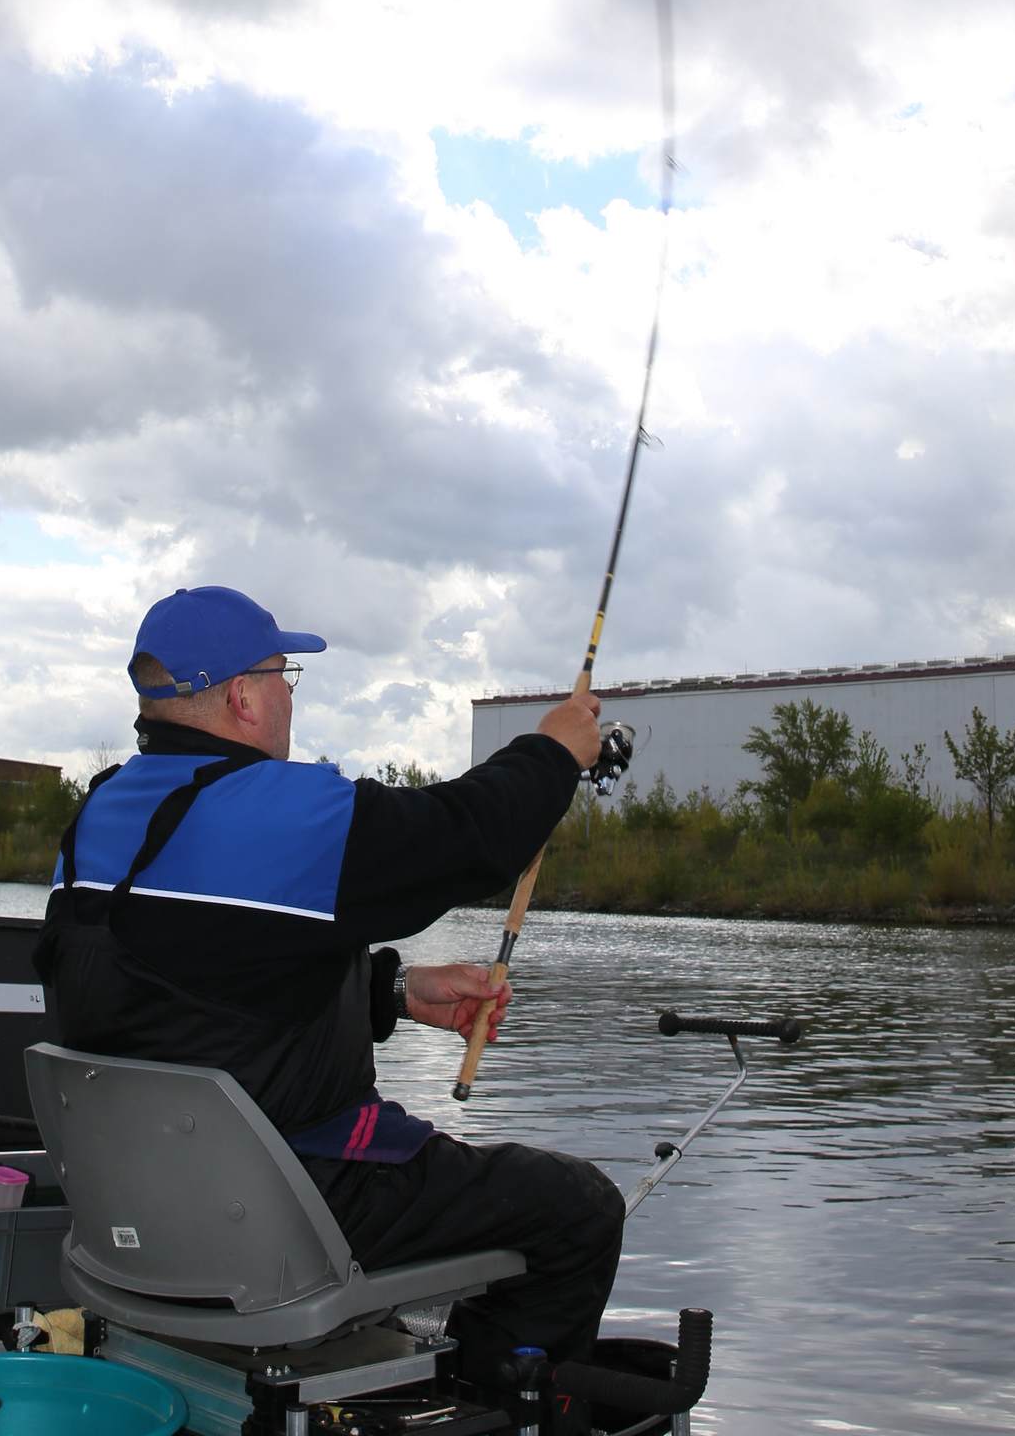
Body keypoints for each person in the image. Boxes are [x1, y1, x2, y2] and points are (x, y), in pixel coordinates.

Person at [33, 584, 625, 1403]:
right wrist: (554, 750)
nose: (286, 695)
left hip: (137, 1216)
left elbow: (187, 988)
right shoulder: (286, 809)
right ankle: (488, 1410)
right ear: (242, 696)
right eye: (283, 675)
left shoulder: (98, 813)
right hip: (292, 1202)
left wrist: (394, 992)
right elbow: (470, 836)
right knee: (578, 1208)